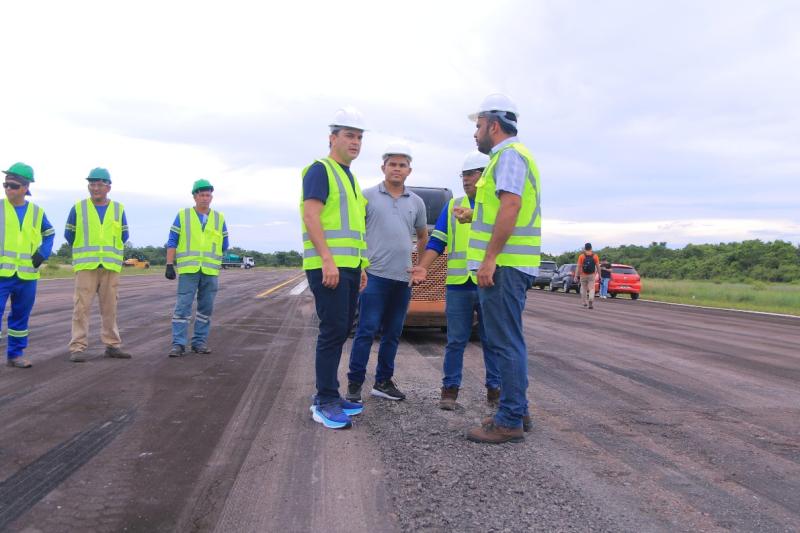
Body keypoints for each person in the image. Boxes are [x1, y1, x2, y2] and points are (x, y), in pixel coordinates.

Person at [464, 94, 541, 444]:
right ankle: (517, 409)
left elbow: (510, 205)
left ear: (493, 125)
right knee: (508, 339)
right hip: (512, 264)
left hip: (505, 266)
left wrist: (490, 257)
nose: (475, 133)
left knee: (505, 342)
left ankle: (509, 419)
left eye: (478, 126)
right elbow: (499, 208)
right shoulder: (510, 157)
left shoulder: (508, 156)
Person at [409, 150, 501, 410]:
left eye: (472, 174)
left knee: (492, 340)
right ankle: (449, 392)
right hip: (459, 285)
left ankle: (495, 391)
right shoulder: (452, 205)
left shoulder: (497, 206)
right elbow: (438, 239)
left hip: (489, 283)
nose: (466, 179)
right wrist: (422, 267)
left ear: (486, 176)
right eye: (464, 175)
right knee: (455, 340)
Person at [301, 107, 368, 429]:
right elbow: (311, 216)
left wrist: (362, 265)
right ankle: (324, 400)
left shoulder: (350, 177)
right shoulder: (320, 170)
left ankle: (331, 392)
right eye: (349, 136)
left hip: (349, 266)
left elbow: (354, 227)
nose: (355, 142)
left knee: (341, 330)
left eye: (359, 137)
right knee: (331, 331)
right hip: (329, 266)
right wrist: (327, 259)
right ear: (332, 138)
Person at [346, 142, 428, 403]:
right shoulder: (367, 196)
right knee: (366, 331)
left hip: (402, 278)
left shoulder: (416, 202)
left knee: (393, 333)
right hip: (374, 277)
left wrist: (420, 266)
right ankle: (354, 385)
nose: (397, 168)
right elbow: (355, 232)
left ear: (409, 171)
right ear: (383, 168)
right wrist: (361, 265)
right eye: (392, 164)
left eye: (402, 165)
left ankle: (382, 382)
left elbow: (423, 236)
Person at [65, 168, 131, 362]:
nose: (95, 188)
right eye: (92, 184)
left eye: (100, 184)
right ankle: (77, 347)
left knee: (110, 307)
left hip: (110, 266)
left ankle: (112, 345)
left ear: (108, 187)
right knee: (81, 307)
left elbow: (124, 236)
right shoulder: (78, 208)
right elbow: (69, 235)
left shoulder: (118, 209)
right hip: (86, 266)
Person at [164, 179, 229, 357]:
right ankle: (178, 344)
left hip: (210, 271)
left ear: (211, 197)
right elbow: (172, 241)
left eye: (208, 195)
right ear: (194, 196)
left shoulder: (219, 218)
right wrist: (169, 264)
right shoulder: (183, 215)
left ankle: (199, 342)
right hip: (189, 270)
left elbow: (224, 244)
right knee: (183, 307)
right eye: (201, 195)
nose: (205, 198)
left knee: (205, 308)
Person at [0, 163, 55, 368]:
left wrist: (43, 252)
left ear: (25, 187)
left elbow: (49, 233)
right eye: (5, 185)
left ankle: (15, 355)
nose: (7, 189)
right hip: (1, 274)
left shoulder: (36, 212)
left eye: (13, 186)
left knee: (20, 318)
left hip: (27, 276)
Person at [574, 243, 600, 309]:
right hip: (592, 275)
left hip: (583, 275)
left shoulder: (581, 256)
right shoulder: (595, 256)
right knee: (591, 288)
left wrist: (576, 276)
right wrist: (600, 275)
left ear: (585, 248)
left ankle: (584, 302)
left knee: (583, 288)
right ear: (591, 248)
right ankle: (591, 299)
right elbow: (598, 266)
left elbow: (578, 266)